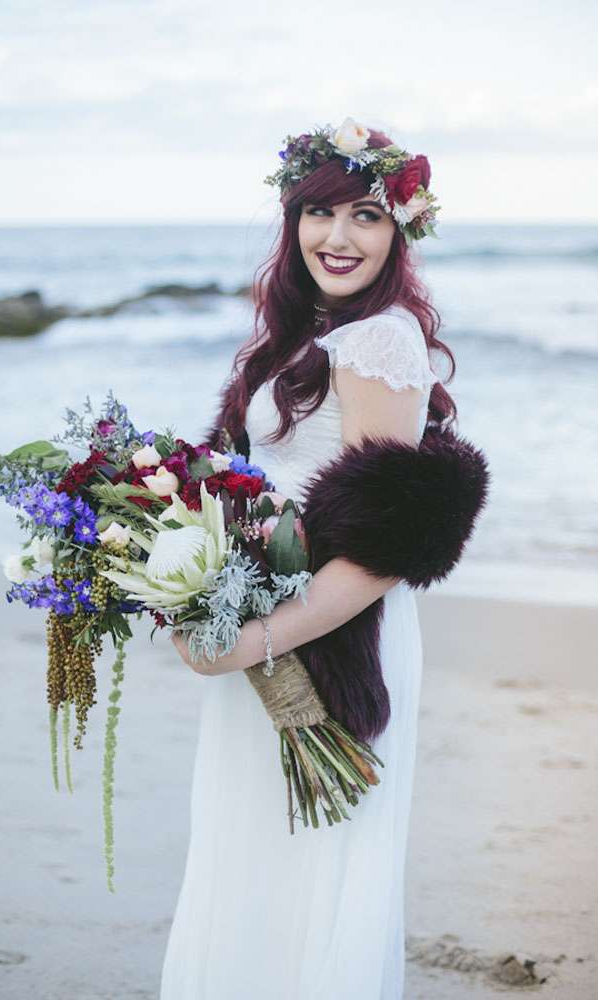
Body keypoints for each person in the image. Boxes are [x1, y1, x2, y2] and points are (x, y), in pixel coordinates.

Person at [161, 117, 458, 999]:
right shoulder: (305, 334)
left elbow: (386, 546)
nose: (338, 237)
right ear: (291, 221)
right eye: (319, 213)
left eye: (366, 215)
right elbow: (257, 485)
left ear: (399, 229)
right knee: (252, 852)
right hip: (279, 625)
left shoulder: (378, 340)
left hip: (332, 636)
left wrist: (255, 641)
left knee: (314, 867)